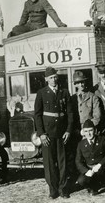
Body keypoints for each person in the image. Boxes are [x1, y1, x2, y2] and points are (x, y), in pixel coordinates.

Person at [34, 67, 73, 199]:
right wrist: (42, 134)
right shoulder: (41, 93)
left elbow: (70, 114)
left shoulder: (64, 92)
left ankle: (63, 188)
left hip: (62, 133)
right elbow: (37, 115)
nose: (54, 79)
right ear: (46, 79)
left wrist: (68, 130)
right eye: (51, 77)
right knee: (49, 163)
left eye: (55, 77)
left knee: (63, 162)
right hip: (48, 134)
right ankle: (53, 189)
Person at [75, 119, 105, 200]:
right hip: (91, 170)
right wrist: (86, 171)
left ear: (95, 130)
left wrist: (100, 164)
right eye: (86, 131)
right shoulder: (81, 144)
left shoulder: (102, 139)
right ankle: (93, 188)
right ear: (83, 132)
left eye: (90, 130)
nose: (88, 133)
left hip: (103, 169)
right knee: (81, 180)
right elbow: (78, 161)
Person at [69, 71, 101, 179]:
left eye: (82, 82)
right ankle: (81, 177)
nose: (81, 85)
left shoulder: (93, 97)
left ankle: (94, 179)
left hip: (90, 132)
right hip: (77, 133)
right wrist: (77, 131)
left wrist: (89, 130)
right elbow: (70, 117)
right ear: (75, 84)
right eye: (78, 83)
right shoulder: (72, 99)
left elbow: (97, 116)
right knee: (77, 156)